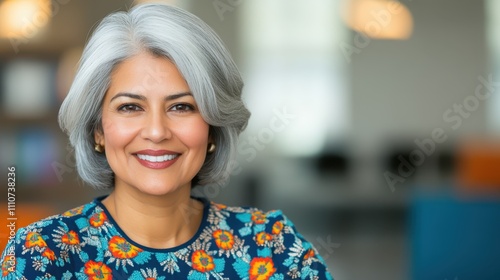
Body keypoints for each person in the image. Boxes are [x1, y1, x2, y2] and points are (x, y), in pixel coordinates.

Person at [1, 3, 333, 279]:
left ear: (212, 127)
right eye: (131, 107)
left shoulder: (273, 246)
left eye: (181, 106)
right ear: (98, 130)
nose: (157, 131)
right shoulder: (41, 255)